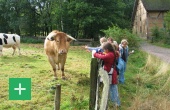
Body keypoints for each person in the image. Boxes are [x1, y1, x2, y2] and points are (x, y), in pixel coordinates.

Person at [93, 42, 120, 109]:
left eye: (104, 49)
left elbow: (102, 57)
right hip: (111, 73)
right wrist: (99, 53)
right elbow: (103, 54)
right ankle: (114, 103)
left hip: (111, 74)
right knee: (112, 88)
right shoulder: (111, 53)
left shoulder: (110, 55)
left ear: (107, 49)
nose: (104, 51)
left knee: (113, 88)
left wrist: (94, 53)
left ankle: (116, 103)